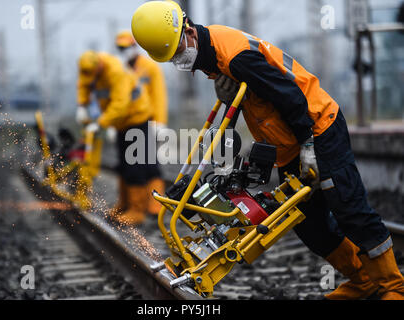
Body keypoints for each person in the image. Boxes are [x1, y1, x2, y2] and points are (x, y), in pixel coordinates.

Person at [130, 1, 404, 300]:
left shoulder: (235, 57)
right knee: (309, 224)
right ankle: (363, 279)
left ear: (189, 32)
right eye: (172, 57)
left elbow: (292, 98)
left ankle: (393, 286)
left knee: (347, 205)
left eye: (178, 51)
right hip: (286, 143)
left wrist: (309, 147)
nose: (180, 60)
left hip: (316, 127)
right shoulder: (214, 58)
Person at [76, 50, 159, 225]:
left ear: (99, 66)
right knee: (123, 164)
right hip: (121, 122)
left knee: (135, 164)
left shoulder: (116, 72)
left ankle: (137, 211)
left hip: (136, 118)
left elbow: (120, 104)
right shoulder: (89, 69)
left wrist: (101, 122)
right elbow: (84, 84)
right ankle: (124, 204)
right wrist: (82, 105)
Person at [115, 30, 169, 216]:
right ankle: (129, 203)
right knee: (127, 164)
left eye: (126, 47)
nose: (123, 51)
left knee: (147, 163)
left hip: (147, 122)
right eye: (120, 48)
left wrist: (159, 122)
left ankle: (155, 205)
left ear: (134, 46)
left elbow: (159, 95)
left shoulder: (150, 67)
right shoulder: (121, 69)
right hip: (124, 124)